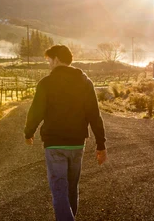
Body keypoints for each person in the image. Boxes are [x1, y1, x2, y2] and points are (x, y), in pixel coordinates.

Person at [24, 44, 107, 221]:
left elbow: (36, 111)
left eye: (49, 60)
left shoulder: (46, 83)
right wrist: (101, 144)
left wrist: (28, 132)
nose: (49, 64)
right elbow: (94, 115)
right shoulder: (85, 82)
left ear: (56, 59)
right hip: (77, 143)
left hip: (54, 144)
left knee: (59, 190)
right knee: (71, 188)